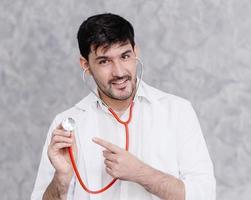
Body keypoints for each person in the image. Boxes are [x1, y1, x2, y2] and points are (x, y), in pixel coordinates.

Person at [31, 13, 216, 200]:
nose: (119, 72)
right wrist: (61, 178)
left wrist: (141, 173)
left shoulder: (177, 111)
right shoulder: (66, 125)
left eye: (125, 56)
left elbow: (204, 195)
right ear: (85, 65)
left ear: (136, 52)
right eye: (104, 61)